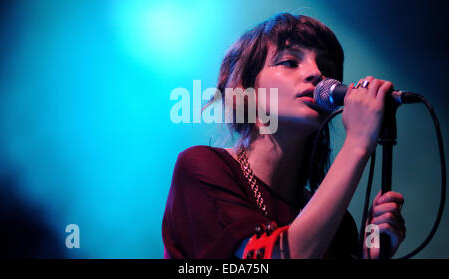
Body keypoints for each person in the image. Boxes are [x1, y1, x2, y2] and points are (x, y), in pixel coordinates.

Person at [162, 13, 406, 259]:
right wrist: (356, 145)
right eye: (290, 62)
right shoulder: (201, 168)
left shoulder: (338, 225)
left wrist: (368, 258)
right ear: (247, 90)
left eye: (327, 68)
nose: (316, 73)